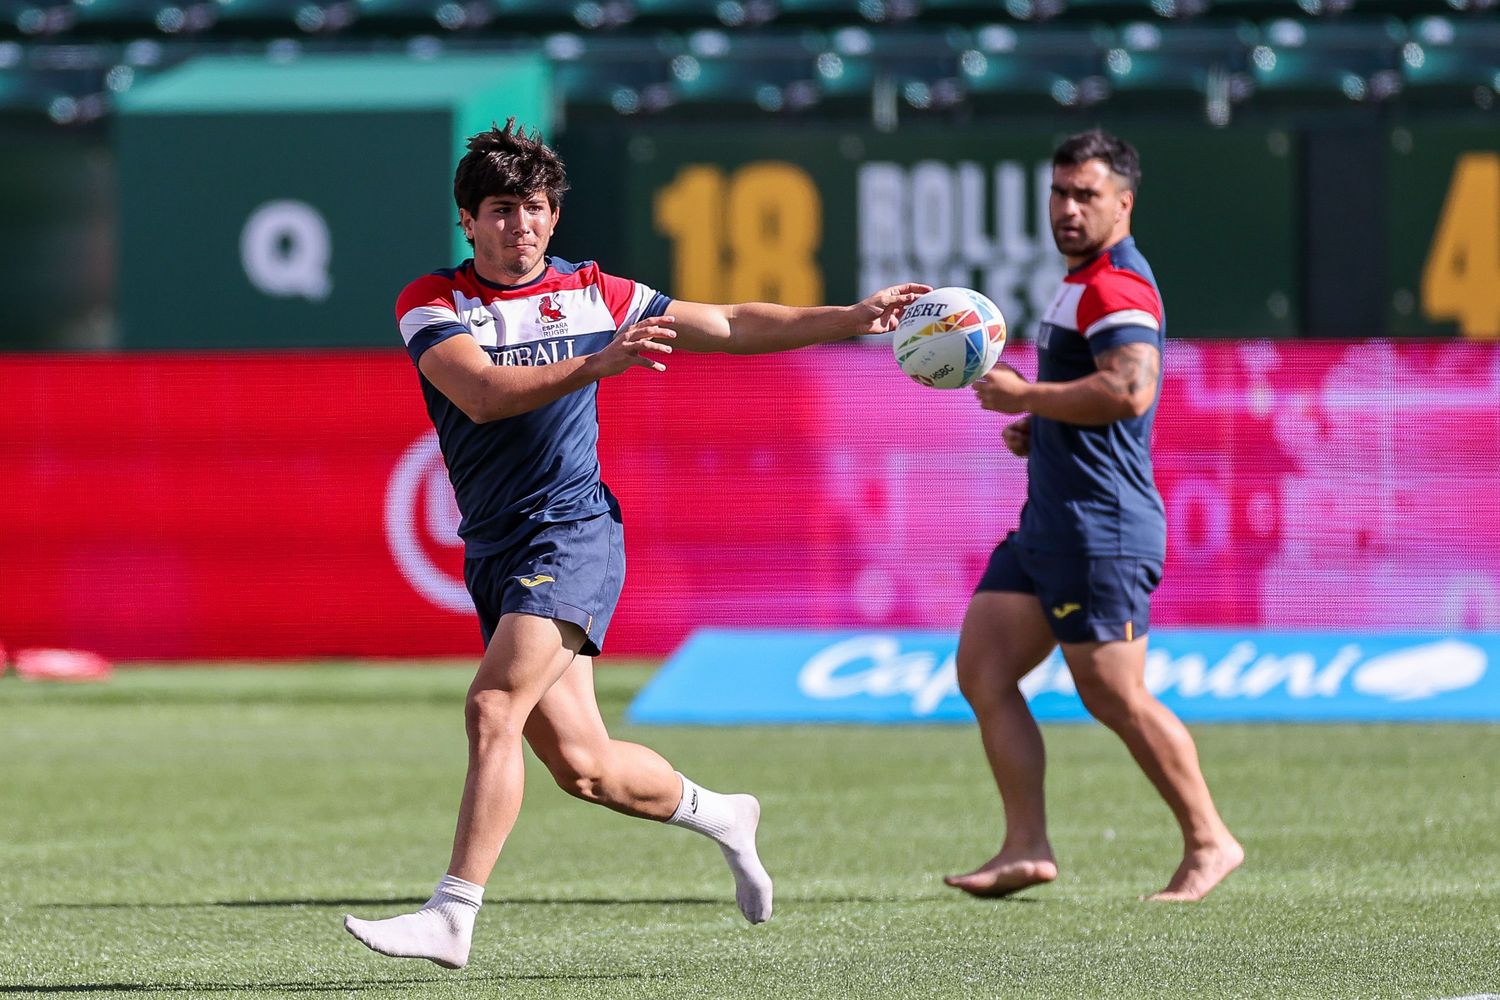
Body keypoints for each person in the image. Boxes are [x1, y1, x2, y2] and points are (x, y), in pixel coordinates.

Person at [343, 118, 929, 969]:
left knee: (490, 707)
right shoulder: (433, 301)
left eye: (536, 207)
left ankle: (452, 914)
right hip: (499, 546)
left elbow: (727, 321)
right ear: (467, 221)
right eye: (501, 210)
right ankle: (723, 812)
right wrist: (595, 363)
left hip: (572, 531)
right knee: (584, 767)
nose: (522, 225)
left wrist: (847, 316)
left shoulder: (593, 292)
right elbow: (481, 395)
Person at [943, 129, 1243, 903]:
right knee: (984, 669)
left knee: (1112, 694)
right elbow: (1098, 395)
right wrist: (1038, 427)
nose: (1069, 208)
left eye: (1087, 195)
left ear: (1124, 203)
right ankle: (1026, 846)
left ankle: (1211, 841)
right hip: (1050, 520)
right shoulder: (1080, 280)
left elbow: (1130, 389)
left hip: (1099, 527)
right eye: (1060, 192)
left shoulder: (1119, 286)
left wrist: (1028, 397)